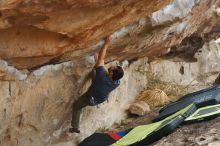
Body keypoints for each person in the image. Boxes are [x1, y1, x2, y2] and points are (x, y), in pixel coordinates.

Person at [69, 35, 124, 133]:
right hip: (100, 97)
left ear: (111, 73)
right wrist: (99, 62)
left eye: (112, 68)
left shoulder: (102, 77)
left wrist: (106, 44)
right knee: (97, 68)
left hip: (90, 98)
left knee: (77, 106)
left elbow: (101, 59)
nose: (111, 66)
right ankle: (97, 66)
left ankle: (75, 127)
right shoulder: (117, 82)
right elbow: (104, 69)